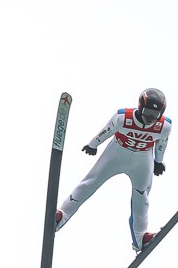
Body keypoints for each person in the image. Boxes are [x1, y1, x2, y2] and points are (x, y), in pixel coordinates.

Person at [54, 88, 171, 252]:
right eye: (147, 112)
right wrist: (93, 144)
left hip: (142, 160)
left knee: (142, 196)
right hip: (117, 153)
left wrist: (158, 161)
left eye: (155, 114)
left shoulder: (164, 126)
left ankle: (140, 238)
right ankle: (61, 216)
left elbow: (162, 144)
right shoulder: (123, 117)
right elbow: (107, 130)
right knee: (90, 182)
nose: (150, 118)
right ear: (140, 107)